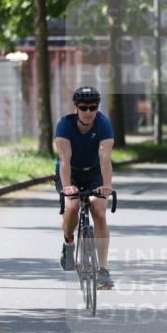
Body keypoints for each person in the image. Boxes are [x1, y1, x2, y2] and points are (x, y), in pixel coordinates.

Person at [55, 86, 115, 289]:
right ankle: (68, 243)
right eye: (84, 107)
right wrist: (67, 187)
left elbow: (105, 158)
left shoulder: (104, 124)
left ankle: (103, 270)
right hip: (70, 171)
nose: (89, 112)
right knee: (71, 207)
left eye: (93, 107)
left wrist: (106, 186)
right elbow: (64, 159)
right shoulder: (64, 125)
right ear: (76, 108)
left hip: (94, 171)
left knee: (99, 210)